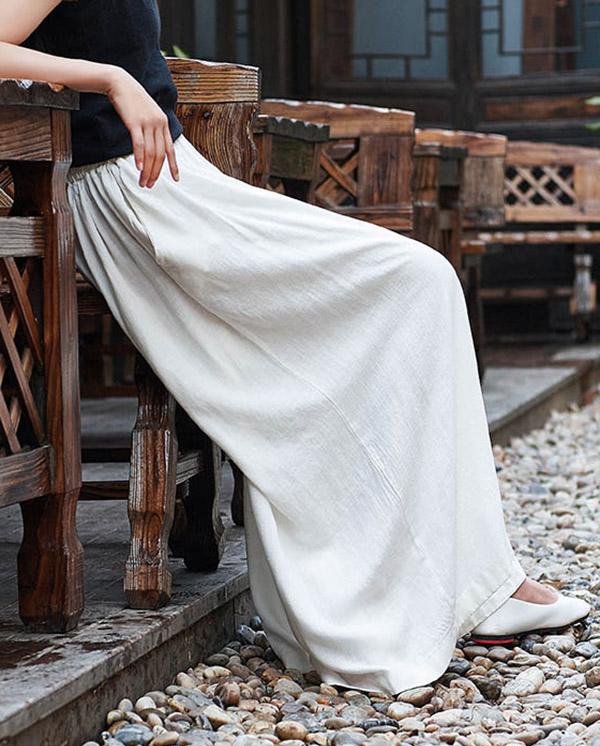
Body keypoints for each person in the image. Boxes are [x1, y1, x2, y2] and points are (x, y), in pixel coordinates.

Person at [0, 0, 589, 695]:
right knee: (416, 284)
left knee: (421, 286)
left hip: (179, 184)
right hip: (134, 199)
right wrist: (109, 79)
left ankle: (480, 581)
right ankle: (427, 591)